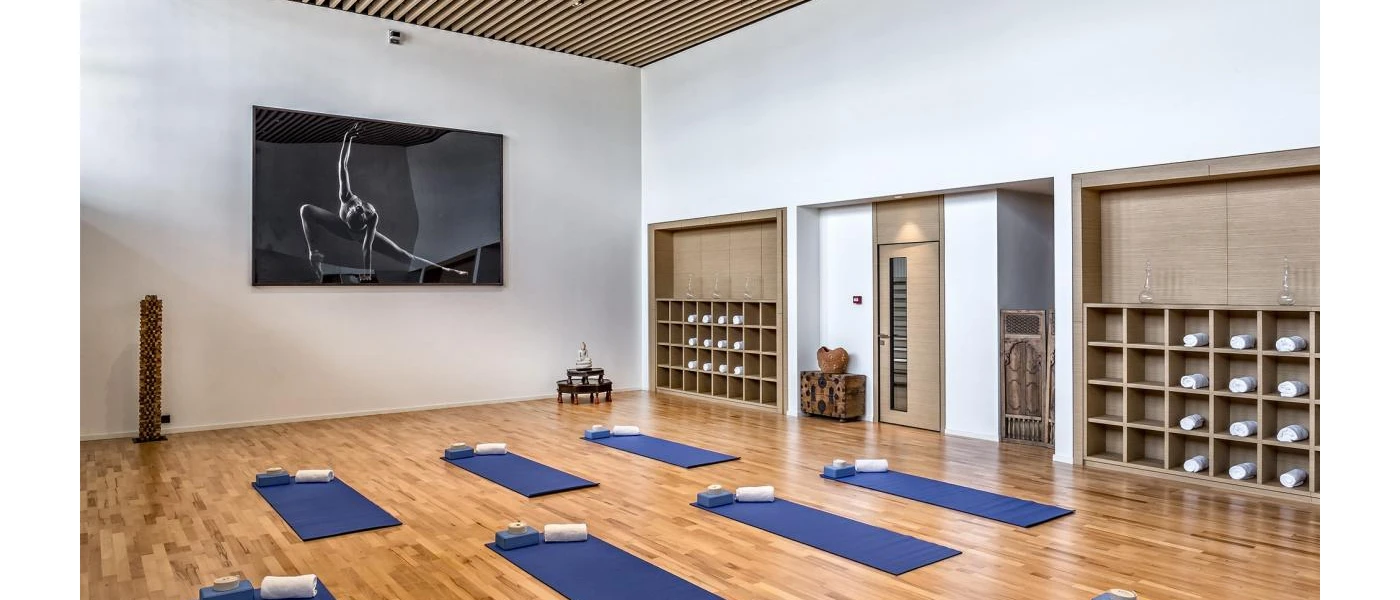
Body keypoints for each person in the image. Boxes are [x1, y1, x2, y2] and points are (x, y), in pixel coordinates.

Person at [298, 122, 465, 281]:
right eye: (360, 212)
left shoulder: (349, 199)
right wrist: (367, 274)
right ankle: (314, 253)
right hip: (346, 230)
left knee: (403, 255)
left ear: (352, 210)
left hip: (354, 230)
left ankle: (447, 269)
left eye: (357, 210)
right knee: (305, 210)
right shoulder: (368, 214)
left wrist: (347, 138)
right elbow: (366, 249)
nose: (358, 208)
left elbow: (343, 165)